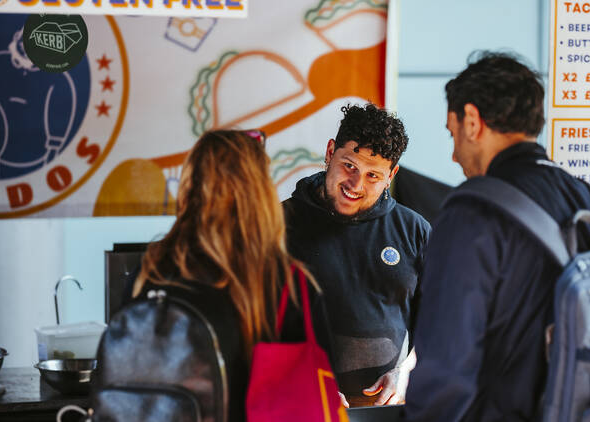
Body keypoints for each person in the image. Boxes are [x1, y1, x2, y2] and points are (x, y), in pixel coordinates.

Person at [403, 52, 590, 421]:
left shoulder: (472, 214)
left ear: (472, 121)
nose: (454, 155)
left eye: (452, 133)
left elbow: (446, 369)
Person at [131, 129, 332, 422]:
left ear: (189, 186)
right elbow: (315, 385)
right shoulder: (286, 283)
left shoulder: (150, 271)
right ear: (259, 192)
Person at [283, 103, 430, 407]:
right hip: (298, 406)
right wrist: (304, 384)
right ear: (330, 152)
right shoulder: (277, 224)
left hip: (387, 411)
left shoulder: (415, 231)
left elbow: (439, 321)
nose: (356, 185)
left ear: (392, 175)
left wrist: (405, 373)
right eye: (349, 166)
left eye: (373, 175)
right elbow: (254, 324)